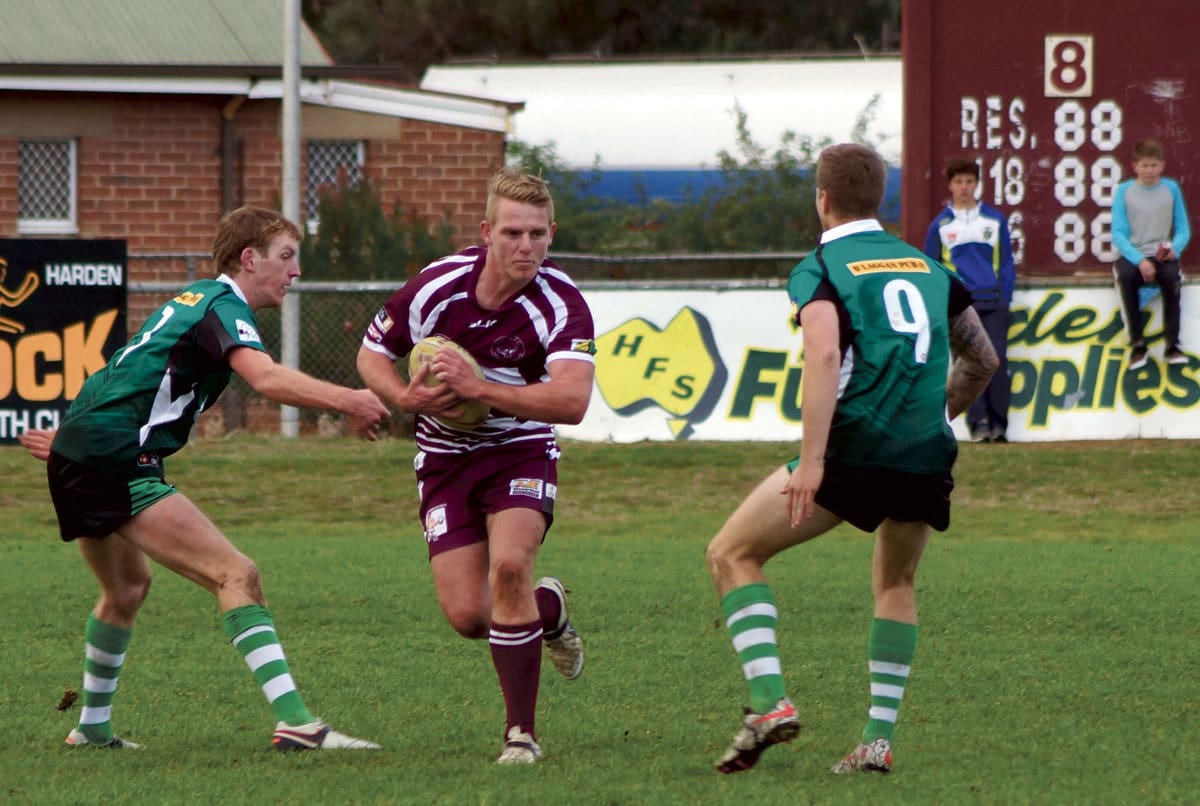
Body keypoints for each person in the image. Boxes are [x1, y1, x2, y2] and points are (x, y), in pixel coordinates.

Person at [18, 206, 390, 751]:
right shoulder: (222, 305)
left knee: (125, 588)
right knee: (236, 574)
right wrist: (349, 399)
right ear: (249, 258)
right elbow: (264, 377)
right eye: (286, 256)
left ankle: (92, 729)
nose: (296, 271)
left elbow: (125, 367)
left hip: (89, 452)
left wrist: (75, 441)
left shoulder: (193, 298)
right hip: (115, 458)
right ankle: (297, 724)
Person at [705, 144, 998, 776]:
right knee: (896, 584)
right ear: (880, 199)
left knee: (731, 553)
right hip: (925, 454)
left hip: (854, 449)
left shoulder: (823, 266)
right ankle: (876, 739)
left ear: (823, 198)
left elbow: (823, 356)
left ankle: (767, 703)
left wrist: (812, 461)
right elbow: (983, 362)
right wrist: (930, 417)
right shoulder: (929, 268)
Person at [356, 168, 596, 764]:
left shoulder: (561, 303)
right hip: (442, 460)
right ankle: (551, 609)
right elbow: (371, 352)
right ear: (487, 232)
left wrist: (482, 388)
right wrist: (403, 398)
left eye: (538, 234)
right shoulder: (438, 285)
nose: (526, 247)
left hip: (520, 450)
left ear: (551, 234)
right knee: (470, 615)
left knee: (510, 567)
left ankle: (521, 735)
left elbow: (572, 402)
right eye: (513, 232)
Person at [923, 157, 1015, 442]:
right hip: (959, 308)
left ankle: (1000, 425)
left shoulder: (994, 220)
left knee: (996, 362)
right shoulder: (939, 226)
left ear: (977, 184)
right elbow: (932, 268)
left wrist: (1004, 298)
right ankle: (978, 426)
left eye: (969, 181)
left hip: (992, 303)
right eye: (958, 181)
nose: (964, 187)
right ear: (950, 185)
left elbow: (1007, 263)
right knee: (968, 366)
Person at [1111, 138, 1191, 369]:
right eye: (1145, 165)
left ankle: (1172, 346)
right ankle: (1138, 345)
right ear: (1135, 166)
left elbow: (1183, 228)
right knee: (1126, 278)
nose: (1149, 170)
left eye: (1154, 165)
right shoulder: (1124, 191)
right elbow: (1118, 233)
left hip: (1162, 254)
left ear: (1162, 166)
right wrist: (1139, 260)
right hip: (1133, 254)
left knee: (1172, 280)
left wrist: (1174, 250)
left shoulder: (1171, 188)